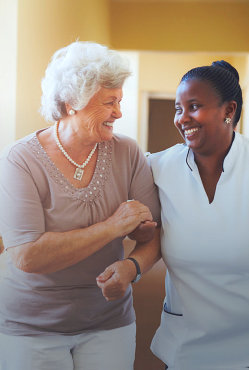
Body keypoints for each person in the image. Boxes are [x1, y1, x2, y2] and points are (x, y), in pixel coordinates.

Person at [0, 41, 161, 370]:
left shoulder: (127, 152)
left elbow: (155, 234)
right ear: (72, 101)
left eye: (120, 101)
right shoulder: (21, 159)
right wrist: (114, 226)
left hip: (109, 322)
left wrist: (132, 267)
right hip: (31, 329)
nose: (118, 112)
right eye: (109, 102)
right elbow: (27, 255)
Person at [149, 60, 249, 369]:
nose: (182, 119)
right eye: (178, 109)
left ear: (228, 110)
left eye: (194, 106)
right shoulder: (157, 168)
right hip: (183, 347)